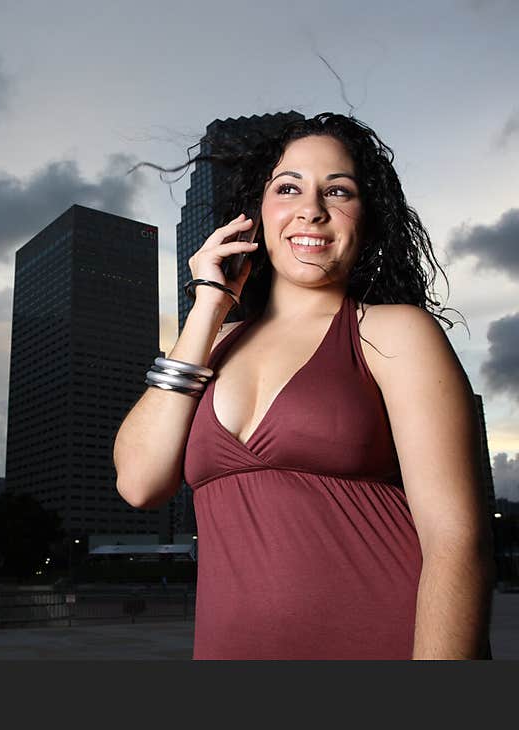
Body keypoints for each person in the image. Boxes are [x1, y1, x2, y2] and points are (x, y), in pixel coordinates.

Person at [113, 113, 496, 660]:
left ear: (366, 218)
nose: (311, 209)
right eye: (288, 187)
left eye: (337, 191)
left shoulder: (392, 332)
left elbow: (457, 542)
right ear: (256, 215)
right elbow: (138, 482)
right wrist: (207, 308)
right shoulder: (209, 344)